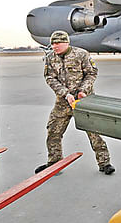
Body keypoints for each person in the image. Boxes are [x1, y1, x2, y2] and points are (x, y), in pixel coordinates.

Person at [36, 30, 115, 175]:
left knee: (94, 132)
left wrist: (83, 91)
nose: (55, 46)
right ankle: (54, 162)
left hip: (84, 101)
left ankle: (104, 163)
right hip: (63, 102)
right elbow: (50, 78)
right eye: (53, 43)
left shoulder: (81, 54)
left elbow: (92, 73)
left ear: (66, 42)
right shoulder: (50, 58)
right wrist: (65, 94)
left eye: (58, 43)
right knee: (53, 131)